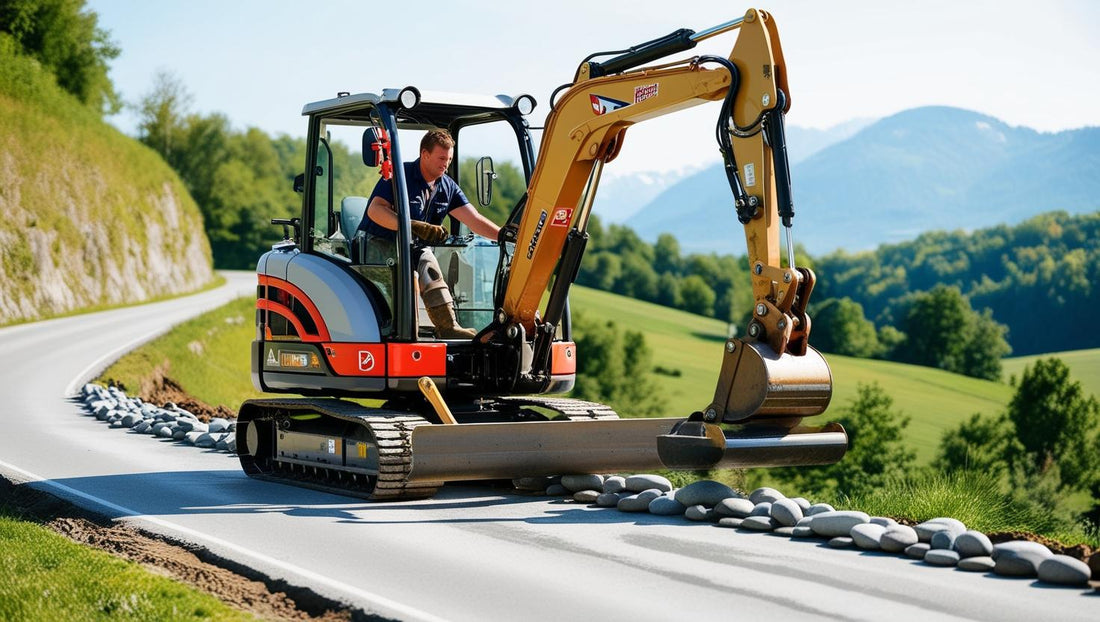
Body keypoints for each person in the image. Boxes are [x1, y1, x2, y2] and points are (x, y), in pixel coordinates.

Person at [358, 128, 500, 339]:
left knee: (430, 271)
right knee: (407, 280)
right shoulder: (400, 175)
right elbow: (375, 210)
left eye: (449, 159)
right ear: (424, 154)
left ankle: (448, 327)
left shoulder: (447, 186)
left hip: (413, 246)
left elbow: (474, 220)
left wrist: (505, 236)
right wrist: (412, 225)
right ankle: (402, 333)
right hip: (379, 244)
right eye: (441, 158)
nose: (446, 164)